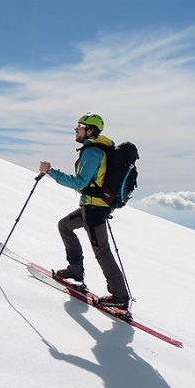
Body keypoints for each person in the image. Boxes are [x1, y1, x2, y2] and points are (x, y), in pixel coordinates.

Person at [38, 113, 130, 309]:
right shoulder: (100, 147)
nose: (76, 129)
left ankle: (120, 297)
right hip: (92, 206)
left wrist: (50, 172)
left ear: (90, 130)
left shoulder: (92, 151)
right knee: (65, 225)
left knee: (102, 252)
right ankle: (75, 270)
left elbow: (80, 182)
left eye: (79, 126)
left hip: (95, 209)